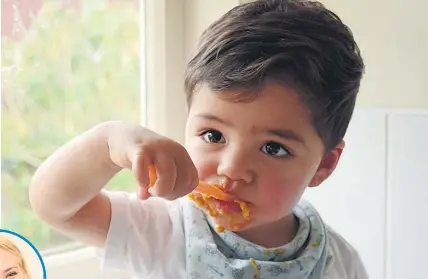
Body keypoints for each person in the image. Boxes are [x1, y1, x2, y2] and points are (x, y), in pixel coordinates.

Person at [29, 0, 368, 278]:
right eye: (213, 135)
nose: (232, 168)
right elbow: (55, 207)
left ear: (323, 165)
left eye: (273, 148)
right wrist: (108, 143)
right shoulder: (161, 229)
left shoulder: (338, 261)